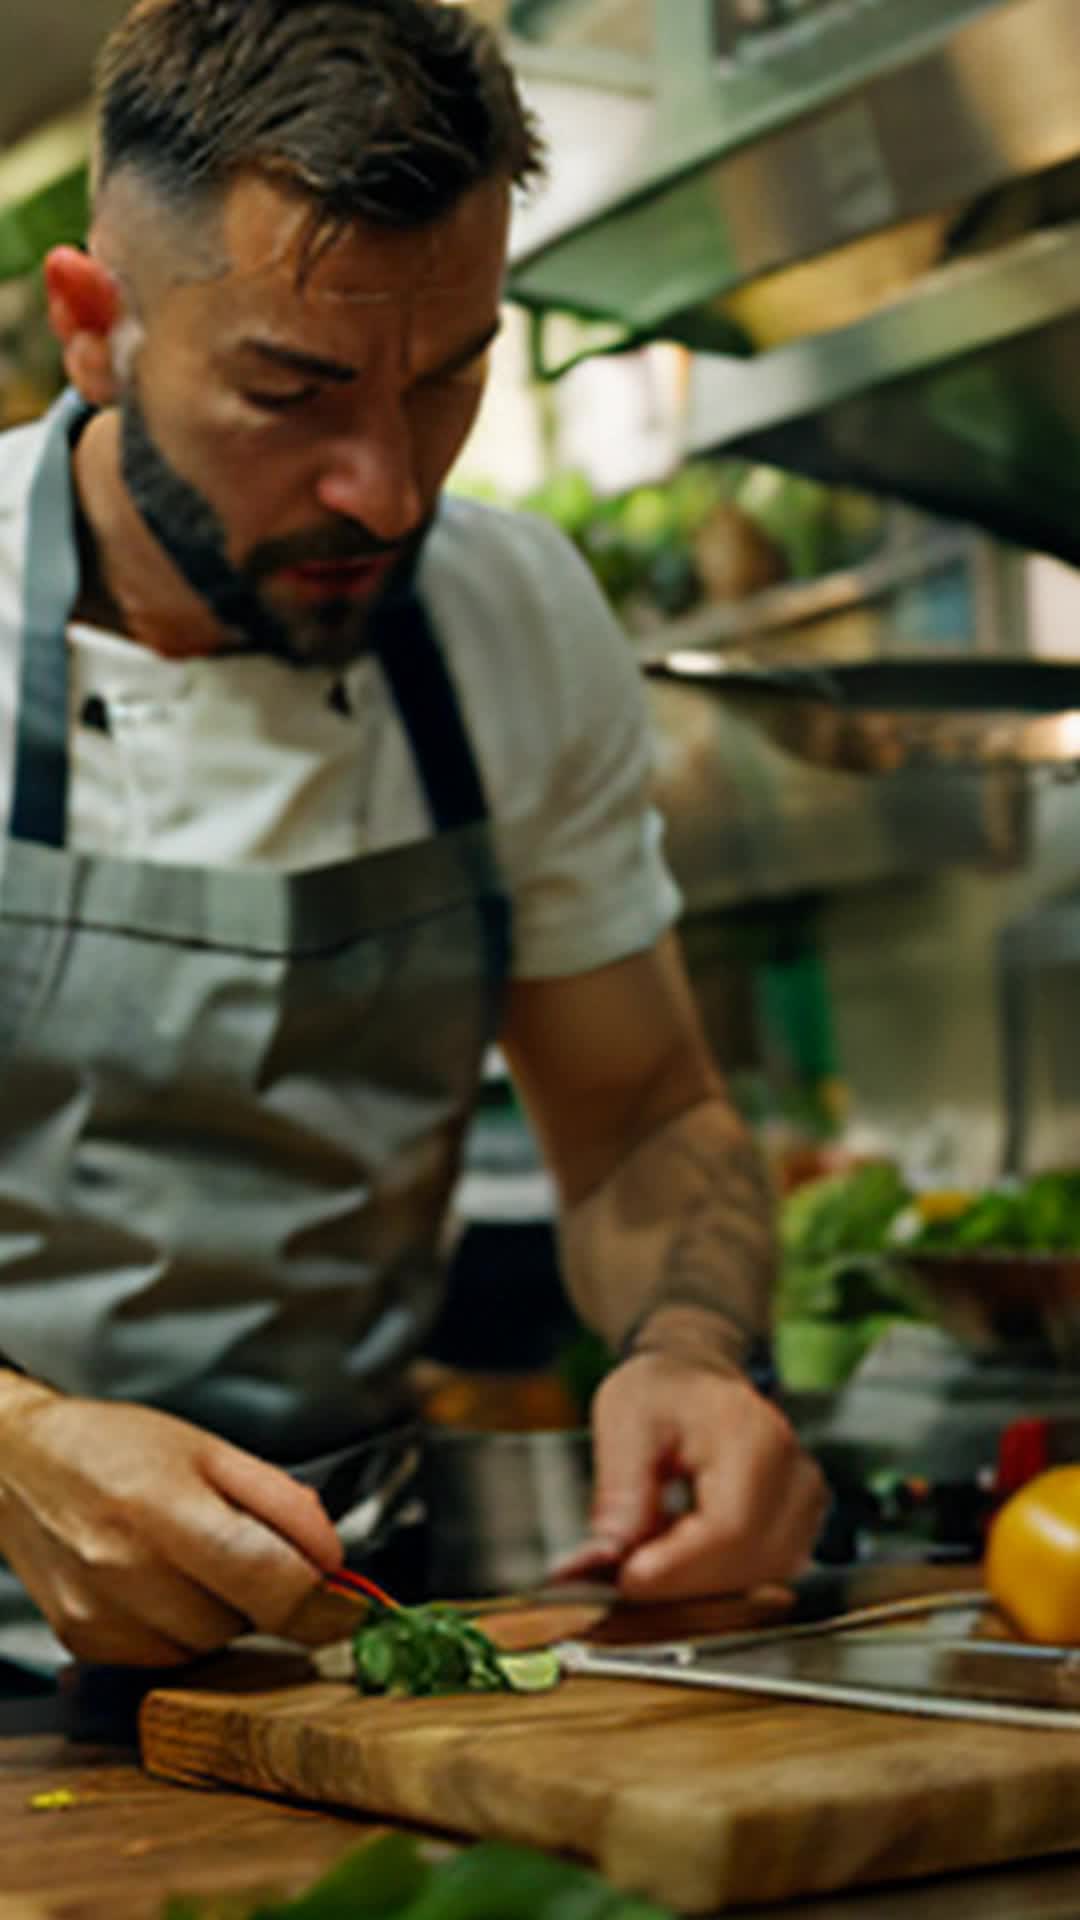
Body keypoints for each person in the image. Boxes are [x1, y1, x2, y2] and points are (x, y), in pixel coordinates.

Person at [0, 0, 825, 1676]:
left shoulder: (511, 618)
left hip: (333, 1647)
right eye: (291, 393)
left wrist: (686, 1347)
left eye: (446, 383)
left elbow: (646, 1112)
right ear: (94, 328)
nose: (384, 489)